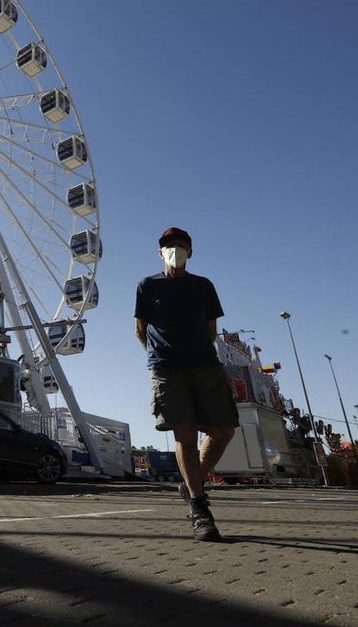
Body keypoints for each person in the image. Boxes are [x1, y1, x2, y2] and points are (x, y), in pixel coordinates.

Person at [134, 227, 239, 542]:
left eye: (180, 246)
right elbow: (140, 329)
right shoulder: (147, 286)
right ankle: (199, 507)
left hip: (204, 366)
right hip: (167, 369)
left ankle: (191, 481)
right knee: (186, 434)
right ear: (160, 252)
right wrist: (161, 356)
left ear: (190, 251)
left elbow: (211, 329)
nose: (174, 250)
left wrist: (196, 352)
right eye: (168, 246)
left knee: (223, 431)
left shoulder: (203, 286)